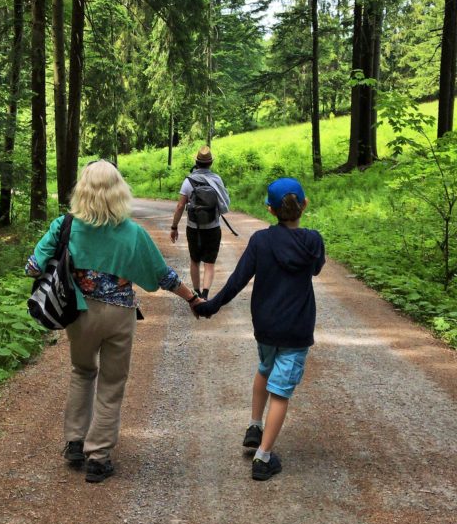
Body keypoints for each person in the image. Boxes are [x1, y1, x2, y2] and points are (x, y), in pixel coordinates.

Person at [26, 160, 200, 483]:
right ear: (119, 191)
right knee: (111, 382)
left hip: (78, 314)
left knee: (82, 371)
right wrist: (191, 297)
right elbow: (164, 276)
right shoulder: (133, 233)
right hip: (119, 315)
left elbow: (33, 267)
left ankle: (75, 442)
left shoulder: (64, 225)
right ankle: (98, 456)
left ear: (83, 190)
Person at [195, 177, 325, 481]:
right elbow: (316, 268)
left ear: (270, 209)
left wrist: (210, 305)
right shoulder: (313, 241)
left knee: (265, 367)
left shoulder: (260, 241)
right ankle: (263, 457)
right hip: (296, 329)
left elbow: (237, 280)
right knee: (280, 391)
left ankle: (255, 425)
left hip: (265, 326)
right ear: (304, 205)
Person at [170, 146, 230, 299]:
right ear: (210, 163)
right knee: (209, 263)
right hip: (213, 227)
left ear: (196, 162)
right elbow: (224, 203)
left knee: (195, 261)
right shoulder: (216, 180)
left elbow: (180, 206)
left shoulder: (188, 181)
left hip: (193, 228)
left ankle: (196, 293)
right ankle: (205, 294)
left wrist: (174, 226)